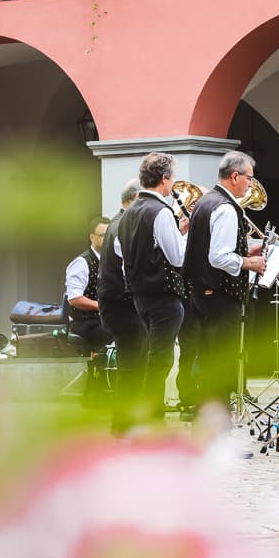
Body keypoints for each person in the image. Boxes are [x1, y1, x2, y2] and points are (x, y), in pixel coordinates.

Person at [183, 151, 268, 419]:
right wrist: (249, 263)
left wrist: (245, 254)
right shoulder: (226, 208)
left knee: (208, 359)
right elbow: (218, 257)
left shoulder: (206, 201)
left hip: (202, 293)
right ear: (235, 176)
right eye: (249, 179)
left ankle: (206, 417)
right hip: (220, 296)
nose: (251, 185)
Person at [116, 152, 188, 425]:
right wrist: (185, 235)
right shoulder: (161, 211)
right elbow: (177, 258)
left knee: (152, 356)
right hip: (163, 295)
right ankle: (151, 416)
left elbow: (127, 255)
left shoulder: (129, 212)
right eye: (172, 178)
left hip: (140, 295)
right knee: (160, 360)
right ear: (164, 179)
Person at [97, 179, 144, 435]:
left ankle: (126, 420)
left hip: (118, 303)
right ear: (136, 197)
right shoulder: (124, 225)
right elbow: (130, 267)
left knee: (133, 362)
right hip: (123, 305)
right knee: (132, 364)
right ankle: (124, 423)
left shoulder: (119, 222)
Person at [64, 216, 113, 350]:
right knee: (122, 333)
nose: (108, 238)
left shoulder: (113, 261)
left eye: (110, 235)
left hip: (105, 319)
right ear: (92, 237)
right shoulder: (81, 263)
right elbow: (74, 299)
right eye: (103, 235)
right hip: (85, 322)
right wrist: (102, 306)